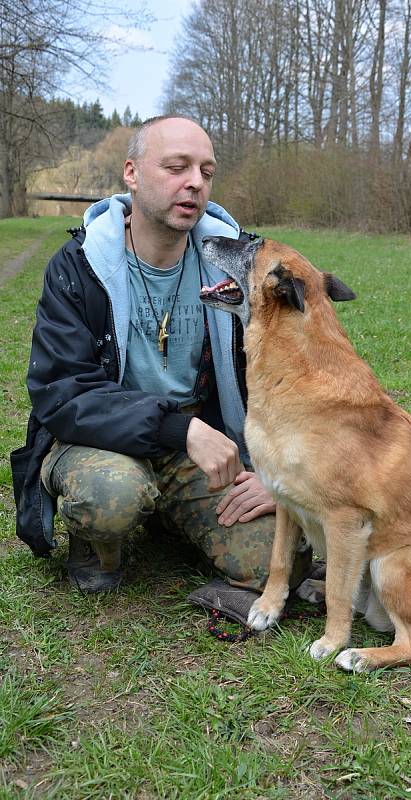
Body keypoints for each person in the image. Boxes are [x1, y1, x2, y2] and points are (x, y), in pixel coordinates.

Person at [11, 116, 311, 594]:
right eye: (176, 167)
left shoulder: (239, 268)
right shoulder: (80, 266)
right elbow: (62, 393)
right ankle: (96, 542)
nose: (194, 182)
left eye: (206, 172)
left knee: (277, 562)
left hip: (203, 448)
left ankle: (174, 513)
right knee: (110, 494)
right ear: (131, 173)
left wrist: (280, 477)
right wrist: (181, 428)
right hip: (100, 439)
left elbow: (294, 378)